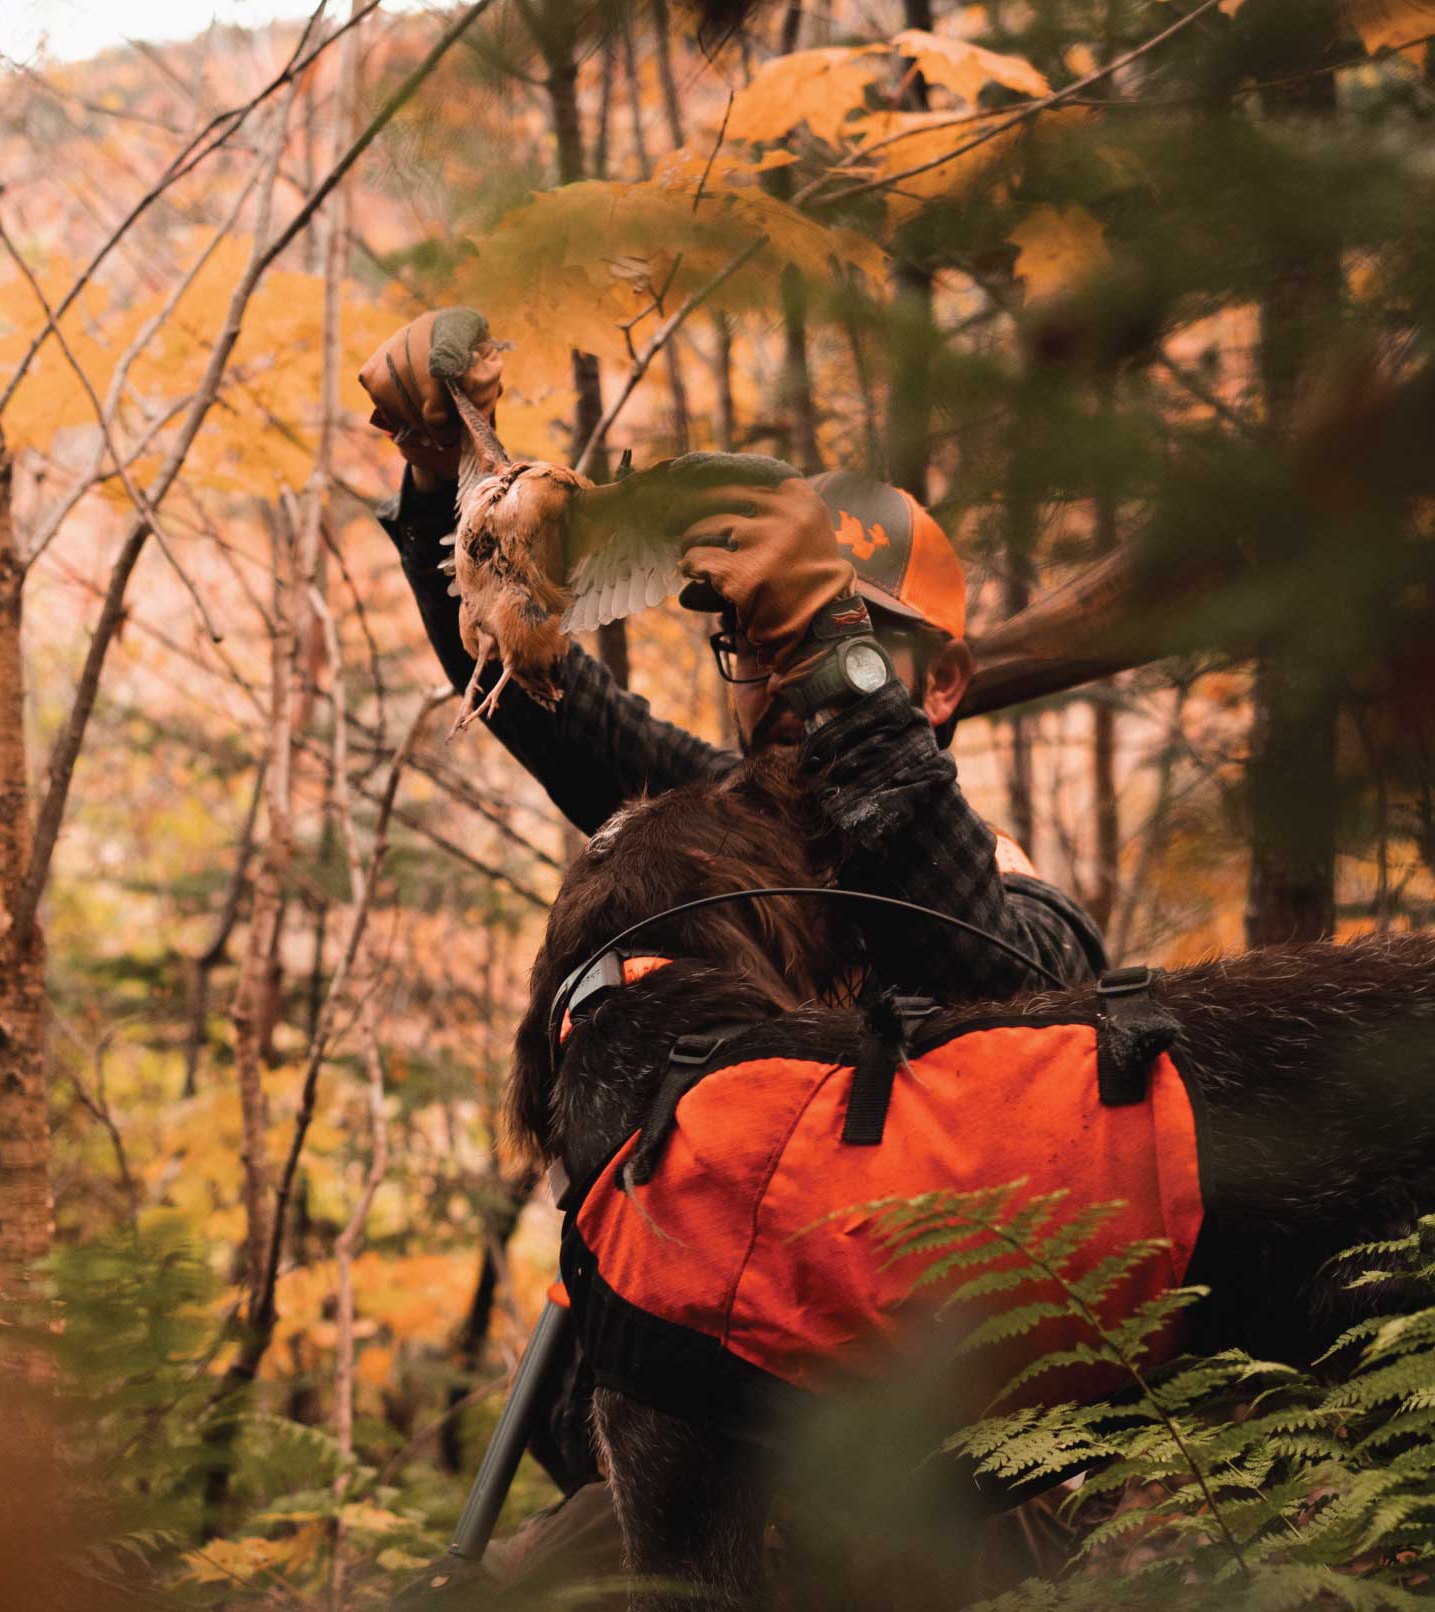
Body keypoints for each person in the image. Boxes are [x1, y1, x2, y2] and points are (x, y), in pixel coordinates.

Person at [360, 309, 1111, 1603]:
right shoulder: (722, 844)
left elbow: (989, 985)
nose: (782, 681)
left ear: (938, 688)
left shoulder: (1011, 893)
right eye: (762, 645)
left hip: (936, 1507)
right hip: (687, 1459)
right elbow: (555, 708)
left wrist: (834, 657)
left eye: (835, 643)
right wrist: (446, 485)